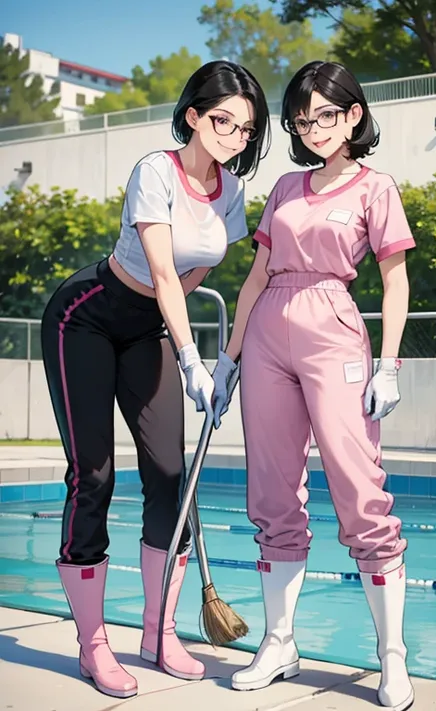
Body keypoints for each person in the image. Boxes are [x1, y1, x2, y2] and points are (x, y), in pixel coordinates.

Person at [40, 60, 270, 699]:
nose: (233, 136)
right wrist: (193, 357)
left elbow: (198, 271)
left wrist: (215, 360)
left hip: (147, 329)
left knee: (169, 478)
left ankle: (158, 632)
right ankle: (92, 645)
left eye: (246, 129)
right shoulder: (155, 171)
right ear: (194, 115)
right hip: (87, 316)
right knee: (94, 477)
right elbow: (164, 274)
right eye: (222, 120)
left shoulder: (230, 192)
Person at [211, 60, 415, 711]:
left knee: (360, 492)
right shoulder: (285, 187)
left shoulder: (374, 187)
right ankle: (279, 640)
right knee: (272, 493)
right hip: (269, 336)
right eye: (303, 119)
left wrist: (388, 363)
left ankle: (392, 656)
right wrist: (228, 357)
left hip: (335, 332)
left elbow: (396, 280)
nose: (314, 128)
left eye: (326, 114)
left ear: (353, 114)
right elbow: (255, 276)